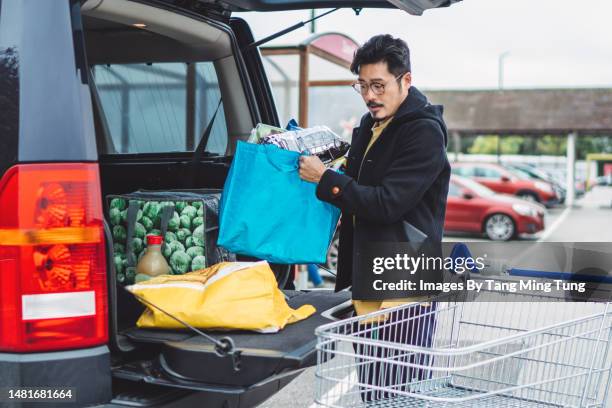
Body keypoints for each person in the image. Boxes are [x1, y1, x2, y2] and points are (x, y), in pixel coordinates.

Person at [298, 34, 450, 400]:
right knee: (373, 390)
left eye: (379, 85)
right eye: (362, 85)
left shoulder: (424, 132)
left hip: (403, 288)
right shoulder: (370, 125)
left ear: (406, 80)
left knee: (399, 393)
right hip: (367, 279)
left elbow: (387, 203)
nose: (369, 95)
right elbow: (357, 186)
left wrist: (326, 179)